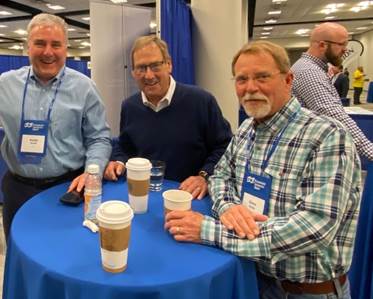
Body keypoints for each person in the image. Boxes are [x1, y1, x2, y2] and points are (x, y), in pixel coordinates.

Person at [165, 41, 361, 299]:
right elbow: (221, 176)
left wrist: (209, 230)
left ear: (288, 79)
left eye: (262, 77)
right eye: (241, 79)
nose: (250, 88)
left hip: (304, 292)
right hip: (253, 277)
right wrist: (229, 208)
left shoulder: (327, 137)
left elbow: (314, 228)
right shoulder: (247, 130)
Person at [0, 13, 111, 239]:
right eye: (40, 43)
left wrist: (94, 172)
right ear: (27, 46)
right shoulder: (5, 85)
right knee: (19, 254)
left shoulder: (85, 87)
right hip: (18, 189)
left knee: (64, 254)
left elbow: (99, 138)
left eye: (56, 45)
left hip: (66, 189)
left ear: (66, 48)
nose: (48, 52)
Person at [104, 35, 232, 199]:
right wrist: (119, 161)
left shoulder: (201, 101)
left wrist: (205, 176)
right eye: (141, 68)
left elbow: (224, 146)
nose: (149, 75)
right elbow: (125, 146)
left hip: (188, 196)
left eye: (155, 66)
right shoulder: (129, 106)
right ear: (133, 73)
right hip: (143, 194)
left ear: (169, 65)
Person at [291, 22, 373, 160]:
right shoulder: (309, 72)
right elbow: (335, 117)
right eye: (342, 44)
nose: (345, 50)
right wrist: (370, 151)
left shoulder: (310, 68)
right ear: (322, 45)